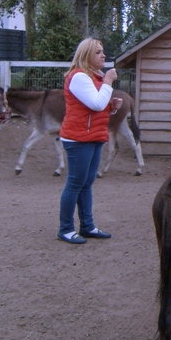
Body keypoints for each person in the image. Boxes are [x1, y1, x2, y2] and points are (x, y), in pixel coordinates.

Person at [57, 38, 122, 244]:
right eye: (98, 52)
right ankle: (66, 229)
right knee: (76, 183)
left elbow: (95, 106)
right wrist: (109, 83)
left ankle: (87, 226)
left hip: (93, 136)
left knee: (86, 184)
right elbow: (95, 104)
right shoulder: (79, 77)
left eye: (102, 52)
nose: (103, 55)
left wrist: (110, 106)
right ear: (86, 56)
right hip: (78, 138)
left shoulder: (94, 78)